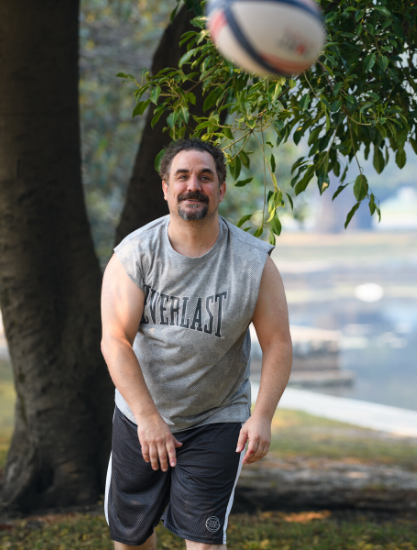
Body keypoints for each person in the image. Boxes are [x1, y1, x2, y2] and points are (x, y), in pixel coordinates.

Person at [100, 138, 292, 550]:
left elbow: (277, 344)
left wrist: (262, 416)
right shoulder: (134, 255)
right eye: (182, 176)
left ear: (221, 189)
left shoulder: (254, 262)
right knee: (132, 540)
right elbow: (115, 340)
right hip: (140, 414)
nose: (193, 185)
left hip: (216, 417)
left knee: (203, 542)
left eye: (205, 177)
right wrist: (148, 418)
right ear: (165, 187)